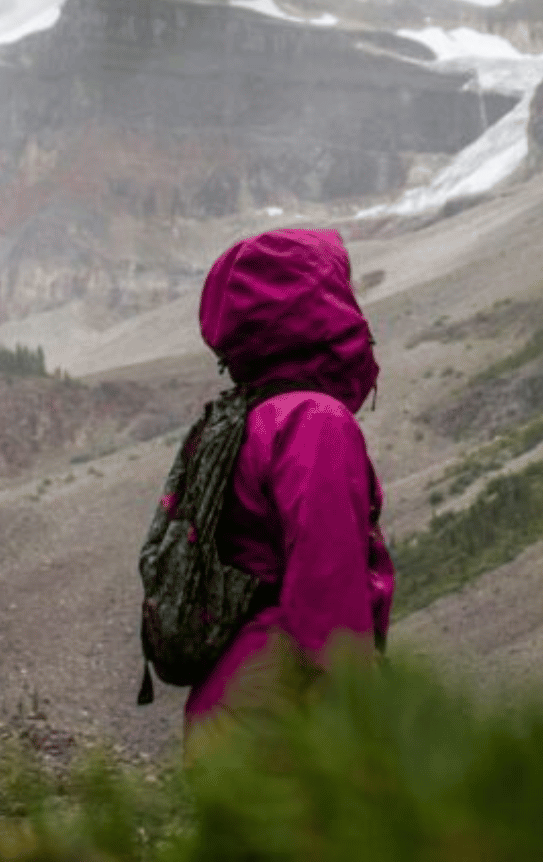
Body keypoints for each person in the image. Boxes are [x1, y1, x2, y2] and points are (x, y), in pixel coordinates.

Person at [185, 227, 393, 749]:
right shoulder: (312, 421)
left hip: (229, 710)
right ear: (320, 309)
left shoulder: (243, 419)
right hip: (283, 724)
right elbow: (329, 615)